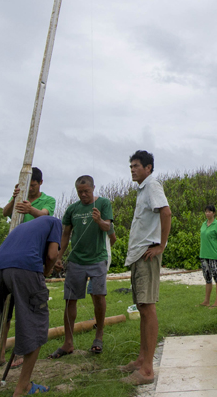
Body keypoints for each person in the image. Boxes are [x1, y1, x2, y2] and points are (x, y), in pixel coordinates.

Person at [0, 214, 62, 397]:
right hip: (25, 267)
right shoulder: (55, 222)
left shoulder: (23, 228)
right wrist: (46, 272)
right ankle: (22, 387)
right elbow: (52, 254)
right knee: (35, 323)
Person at [119, 150, 171, 386]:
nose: (132, 169)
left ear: (148, 168)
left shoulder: (152, 185)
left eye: (137, 165)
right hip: (139, 255)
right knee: (141, 307)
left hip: (148, 254)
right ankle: (142, 360)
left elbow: (166, 212)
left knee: (148, 308)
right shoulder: (142, 189)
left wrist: (161, 245)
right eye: (131, 166)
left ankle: (147, 370)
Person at [50, 175, 114, 358]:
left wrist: (99, 221)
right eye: (80, 192)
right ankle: (68, 343)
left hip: (97, 259)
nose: (83, 195)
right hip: (76, 260)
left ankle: (98, 337)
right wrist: (58, 256)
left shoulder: (103, 204)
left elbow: (107, 228)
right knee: (70, 300)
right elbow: (66, 234)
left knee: (98, 296)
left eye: (86, 191)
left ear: (93, 188)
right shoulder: (72, 209)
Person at [198, 204, 217, 308]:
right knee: (207, 278)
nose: (207, 213)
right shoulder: (204, 224)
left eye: (209, 212)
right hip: (204, 255)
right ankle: (206, 301)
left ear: (214, 213)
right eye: (206, 212)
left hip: (214, 255)